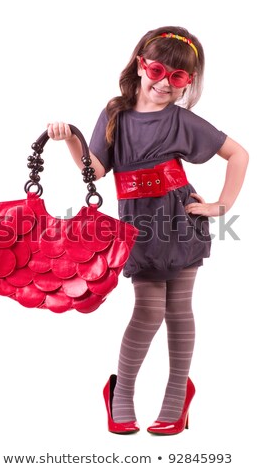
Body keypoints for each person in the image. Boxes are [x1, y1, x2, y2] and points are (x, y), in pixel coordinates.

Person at [47, 26, 248, 435]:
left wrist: (221, 206)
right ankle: (119, 395)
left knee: (179, 311)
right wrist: (71, 139)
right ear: (141, 65)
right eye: (157, 70)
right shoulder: (115, 113)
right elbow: (96, 172)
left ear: (187, 82)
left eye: (178, 78)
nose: (164, 83)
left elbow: (238, 154)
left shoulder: (182, 120)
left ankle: (178, 396)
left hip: (180, 216)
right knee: (149, 309)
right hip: (140, 224)